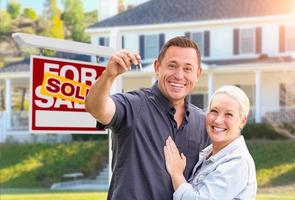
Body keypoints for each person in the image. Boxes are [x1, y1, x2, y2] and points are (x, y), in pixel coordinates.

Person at [85, 36, 210, 200]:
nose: (179, 75)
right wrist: (109, 75)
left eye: (188, 69)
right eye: (172, 66)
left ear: (198, 73)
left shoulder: (202, 122)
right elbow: (96, 108)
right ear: (157, 67)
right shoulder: (133, 105)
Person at [164, 85, 257, 200]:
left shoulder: (238, 162)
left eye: (229, 114)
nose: (218, 120)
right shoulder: (207, 154)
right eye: (214, 111)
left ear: (242, 121)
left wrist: (177, 174)